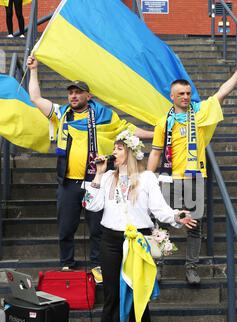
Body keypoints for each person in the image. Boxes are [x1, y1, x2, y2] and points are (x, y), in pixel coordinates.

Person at [27, 55, 153, 281]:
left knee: (97, 228)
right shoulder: (62, 114)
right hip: (69, 183)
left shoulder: (104, 115)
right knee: (66, 227)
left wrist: (156, 134)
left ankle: (97, 264)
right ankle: (66, 263)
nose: (73, 96)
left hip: (97, 182)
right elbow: (35, 97)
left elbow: (128, 130)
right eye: (70, 92)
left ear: (88, 95)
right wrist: (34, 70)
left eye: (78, 92)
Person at [83, 130, 197, 322]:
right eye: (114, 148)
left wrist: (177, 216)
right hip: (111, 240)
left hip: (138, 241)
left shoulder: (146, 178)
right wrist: (98, 175)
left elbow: (159, 208)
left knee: (138, 297)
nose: (114, 152)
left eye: (119, 148)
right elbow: (91, 205)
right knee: (112, 296)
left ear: (131, 152)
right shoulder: (106, 178)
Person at [147, 53, 237, 284]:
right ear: (171, 96)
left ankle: (191, 267)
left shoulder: (201, 113)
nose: (185, 97)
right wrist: (147, 176)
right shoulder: (163, 122)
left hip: (195, 178)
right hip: (168, 178)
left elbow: (222, 92)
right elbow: (155, 151)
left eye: (188, 93)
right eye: (181, 94)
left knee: (194, 226)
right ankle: (159, 266)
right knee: (162, 224)